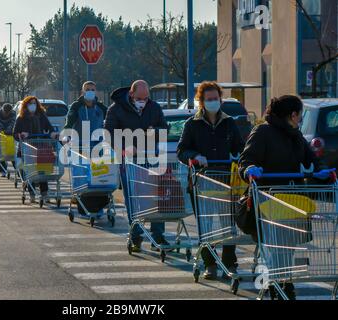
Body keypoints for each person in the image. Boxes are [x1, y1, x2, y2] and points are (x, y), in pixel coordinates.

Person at [239, 95, 329, 300]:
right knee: (276, 248)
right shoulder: (262, 132)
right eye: (300, 114)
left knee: (286, 249)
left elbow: (312, 160)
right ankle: (280, 288)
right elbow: (246, 160)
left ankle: (283, 285)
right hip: (268, 200)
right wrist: (250, 169)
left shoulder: (295, 135)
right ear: (293, 114)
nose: (301, 118)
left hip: (291, 201)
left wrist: (322, 171)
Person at [177, 81, 244, 280]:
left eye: (216, 99)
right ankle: (210, 264)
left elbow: (239, 147)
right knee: (206, 225)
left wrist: (238, 156)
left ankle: (230, 263)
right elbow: (182, 151)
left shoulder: (229, 122)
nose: (214, 102)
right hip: (201, 181)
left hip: (225, 181)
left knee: (228, 225)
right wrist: (196, 156)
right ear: (202, 102)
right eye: (209, 99)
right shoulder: (192, 124)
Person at [104, 80, 169, 253]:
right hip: (129, 161)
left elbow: (164, 128)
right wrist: (123, 148)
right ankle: (135, 236)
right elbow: (108, 133)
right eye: (140, 98)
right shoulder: (116, 109)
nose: (143, 101)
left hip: (151, 159)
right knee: (133, 199)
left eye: (146, 98)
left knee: (155, 196)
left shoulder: (153, 107)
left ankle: (158, 235)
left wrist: (154, 131)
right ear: (131, 95)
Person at [64, 81, 109, 215]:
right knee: (82, 177)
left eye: (92, 89)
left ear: (96, 92)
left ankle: (98, 206)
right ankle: (80, 202)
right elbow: (70, 121)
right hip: (80, 148)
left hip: (98, 148)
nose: (90, 91)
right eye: (87, 89)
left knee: (98, 177)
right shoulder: (76, 106)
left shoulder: (101, 107)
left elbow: (112, 120)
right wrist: (66, 134)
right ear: (82, 92)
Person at [13, 96, 58, 203]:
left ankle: (44, 194)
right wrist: (21, 134)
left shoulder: (42, 116)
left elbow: (50, 128)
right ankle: (32, 194)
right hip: (26, 148)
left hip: (41, 147)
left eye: (34, 103)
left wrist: (53, 134)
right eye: (30, 103)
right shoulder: (21, 118)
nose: (32, 105)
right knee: (30, 171)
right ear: (25, 105)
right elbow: (14, 134)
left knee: (42, 171)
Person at [0, 103, 17, 177]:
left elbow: (13, 123)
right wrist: (1, 130)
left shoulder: (13, 113)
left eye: (8, 112)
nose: (6, 114)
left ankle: (18, 171)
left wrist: (8, 131)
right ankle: (3, 170)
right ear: (2, 110)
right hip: (0, 134)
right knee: (1, 153)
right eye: (5, 112)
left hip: (10, 135)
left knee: (12, 153)